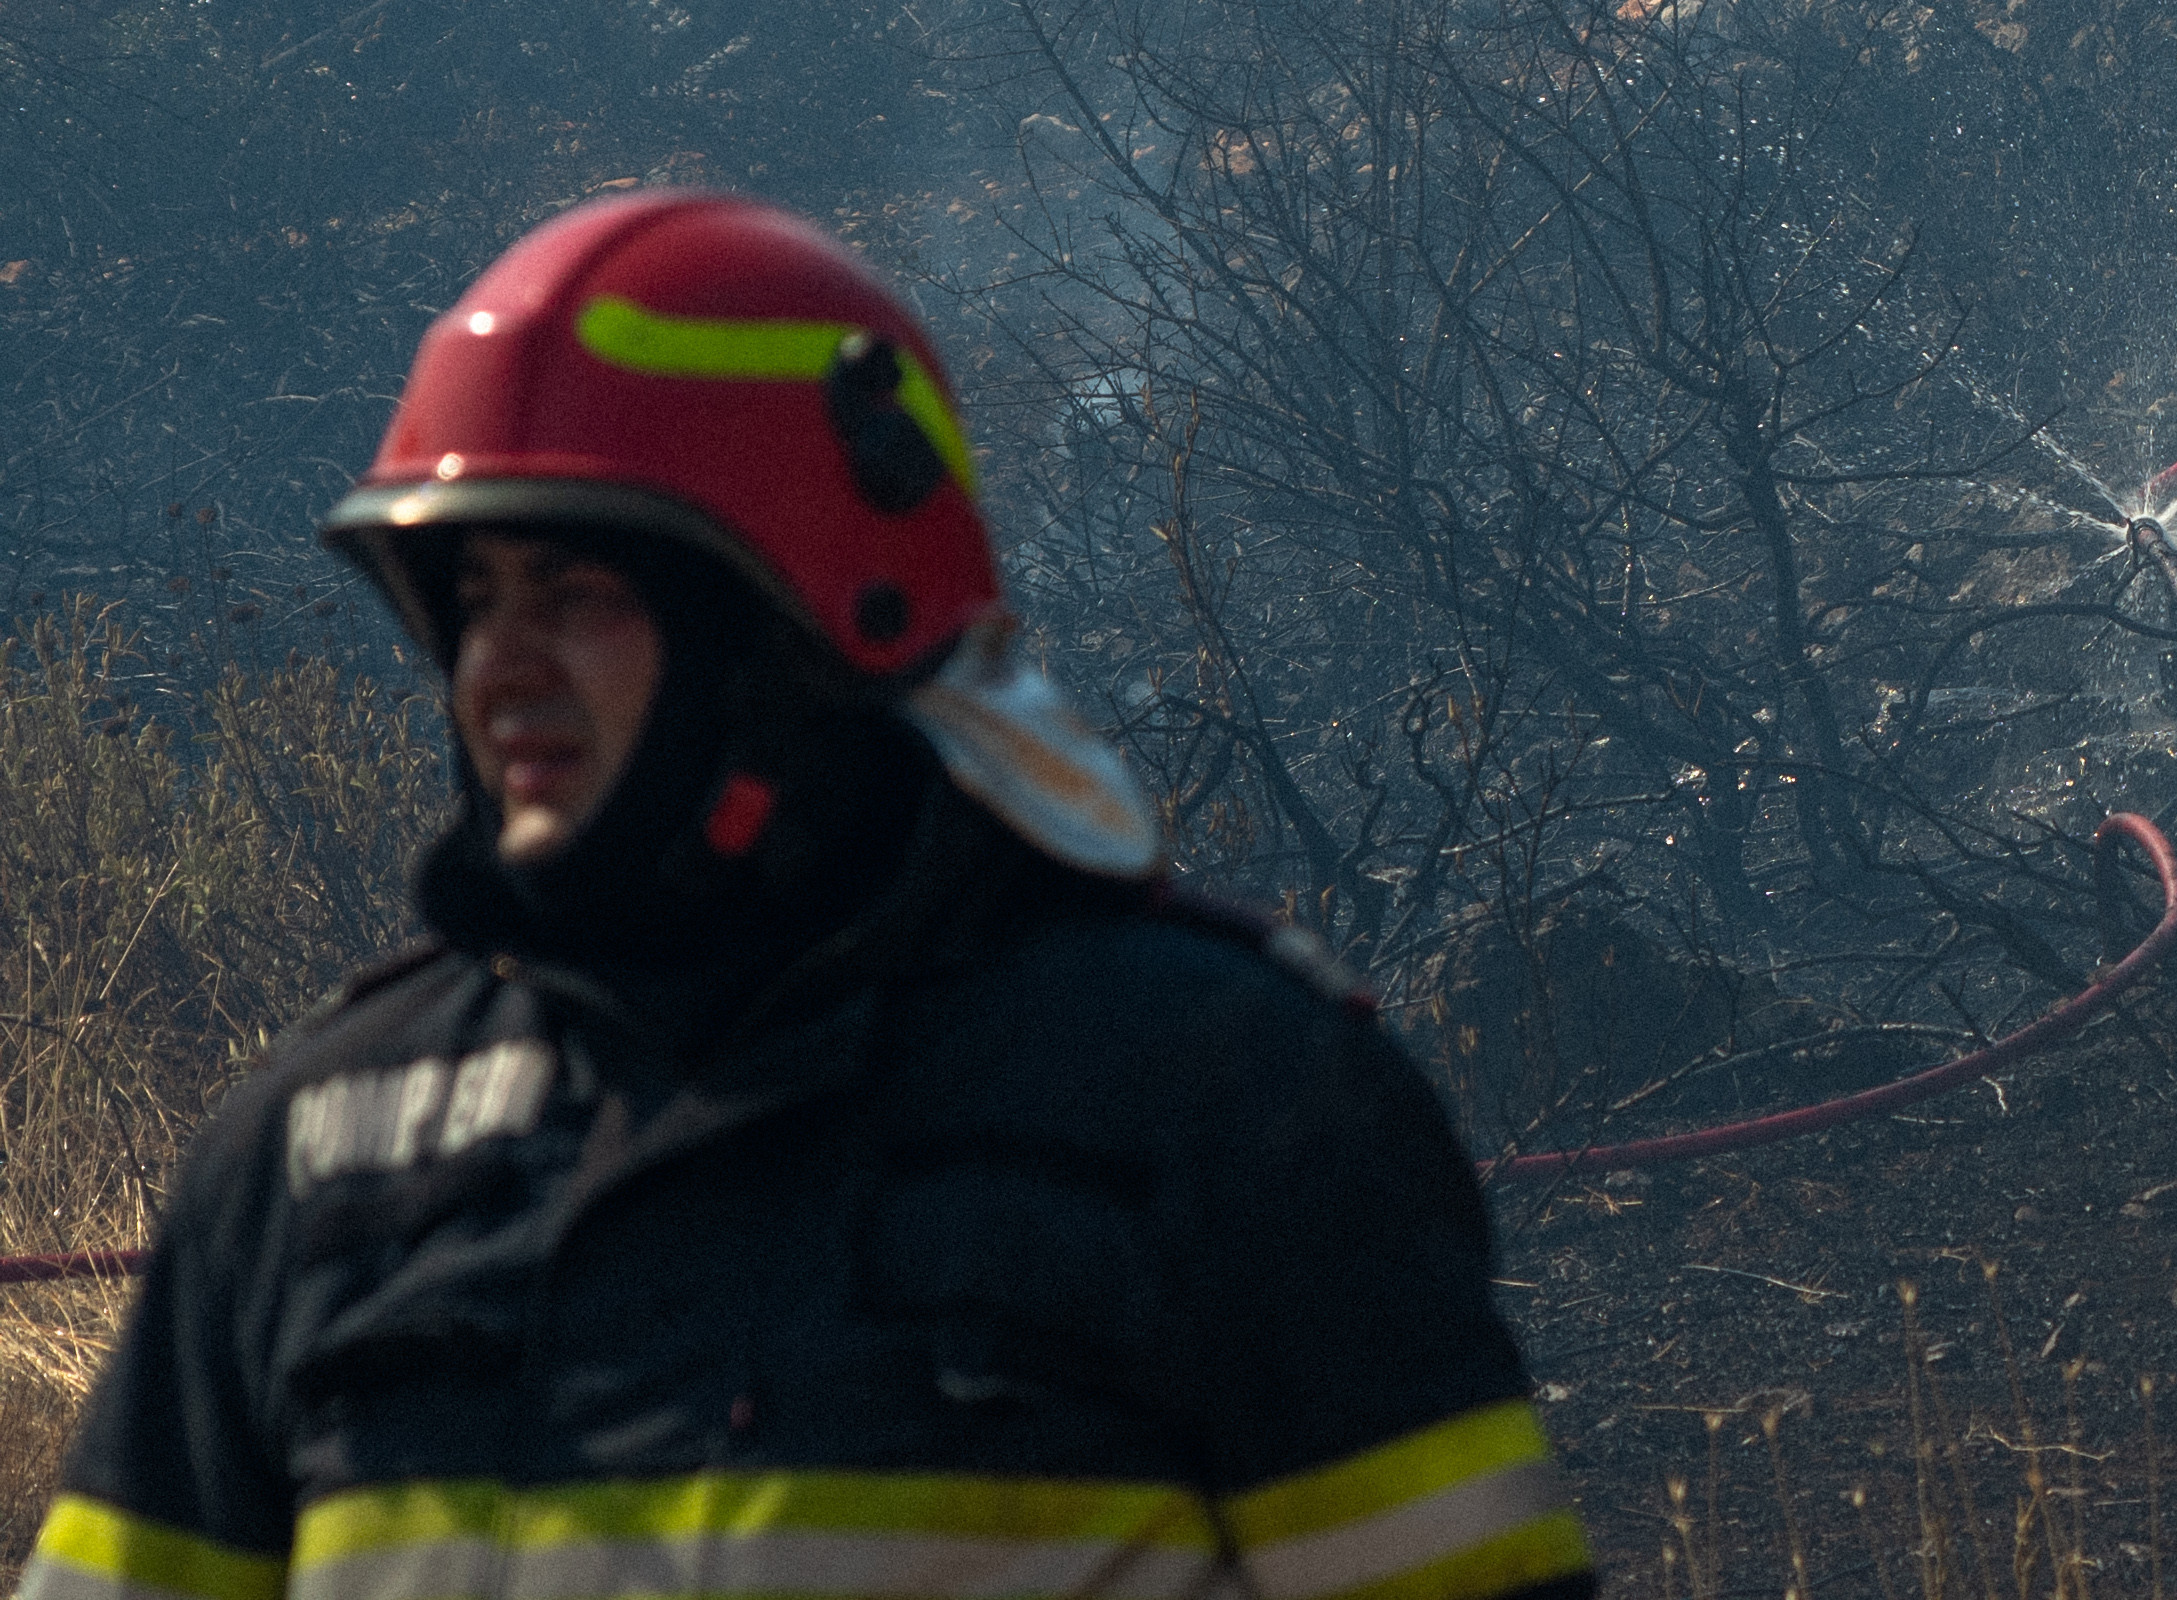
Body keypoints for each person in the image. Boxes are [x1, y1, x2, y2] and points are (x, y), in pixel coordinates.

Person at [13, 193, 1595, 1600]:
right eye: (472, 598)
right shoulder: (318, 1153)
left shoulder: (1219, 1101)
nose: (499, 668)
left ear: (790, 633)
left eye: (580, 590)